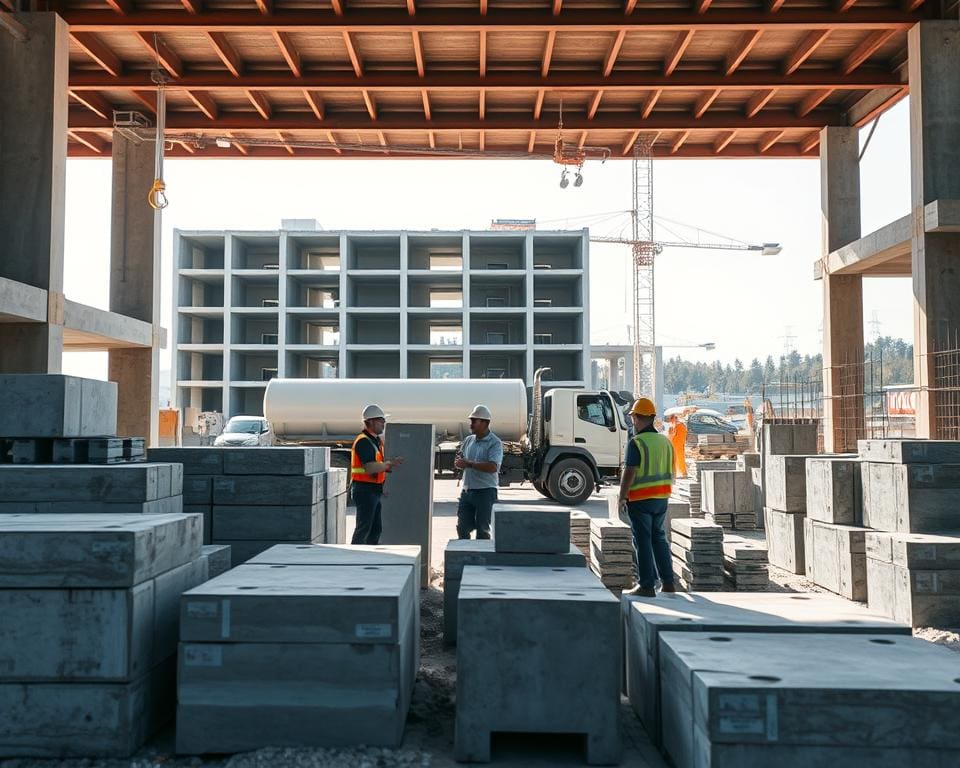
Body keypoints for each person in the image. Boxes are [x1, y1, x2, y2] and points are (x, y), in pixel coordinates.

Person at [618, 397, 676, 597]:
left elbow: (629, 472)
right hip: (661, 498)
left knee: (642, 541)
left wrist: (622, 496)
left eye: (633, 417)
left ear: (636, 419)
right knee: (659, 539)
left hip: (641, 499)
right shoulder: (665, 441)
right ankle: (668, 583)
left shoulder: (637, 443)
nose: (632, 422)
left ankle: (646, 585)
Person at [350, 403, 404, 545]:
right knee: (364, 528)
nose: (383, 424)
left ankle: (369, 556)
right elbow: (369, 467)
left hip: (373, 489)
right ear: (371, 422)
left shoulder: (376, 441)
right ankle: (355, 558)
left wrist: (381, 486)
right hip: (364, 490)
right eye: (381, 421)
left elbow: (377, 466)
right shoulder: (363, 441)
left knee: (375, 529)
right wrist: (389, 464)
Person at [454, 404, 504, 540]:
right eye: (471, 421)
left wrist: (469, 464)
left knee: (483, 530)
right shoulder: (468, 440)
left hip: (485, 492)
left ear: (485, 423)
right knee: (462, 527)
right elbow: (461, 460)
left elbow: (493, 467)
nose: (471, 424)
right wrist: (459, 463)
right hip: (467, 491)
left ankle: (481, 560)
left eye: (474, 421)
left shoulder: (494, 443)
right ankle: (464, 557)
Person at [665, 413, 688, 478]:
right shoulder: (681, 425)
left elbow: (671, 435)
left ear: (674, 418)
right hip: (679, 444)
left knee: (677, 459)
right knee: (679, 459)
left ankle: (682, 473)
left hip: (676, 444)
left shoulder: (676, 426)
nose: (671, 421)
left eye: (671, 419)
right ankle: (682, 473)